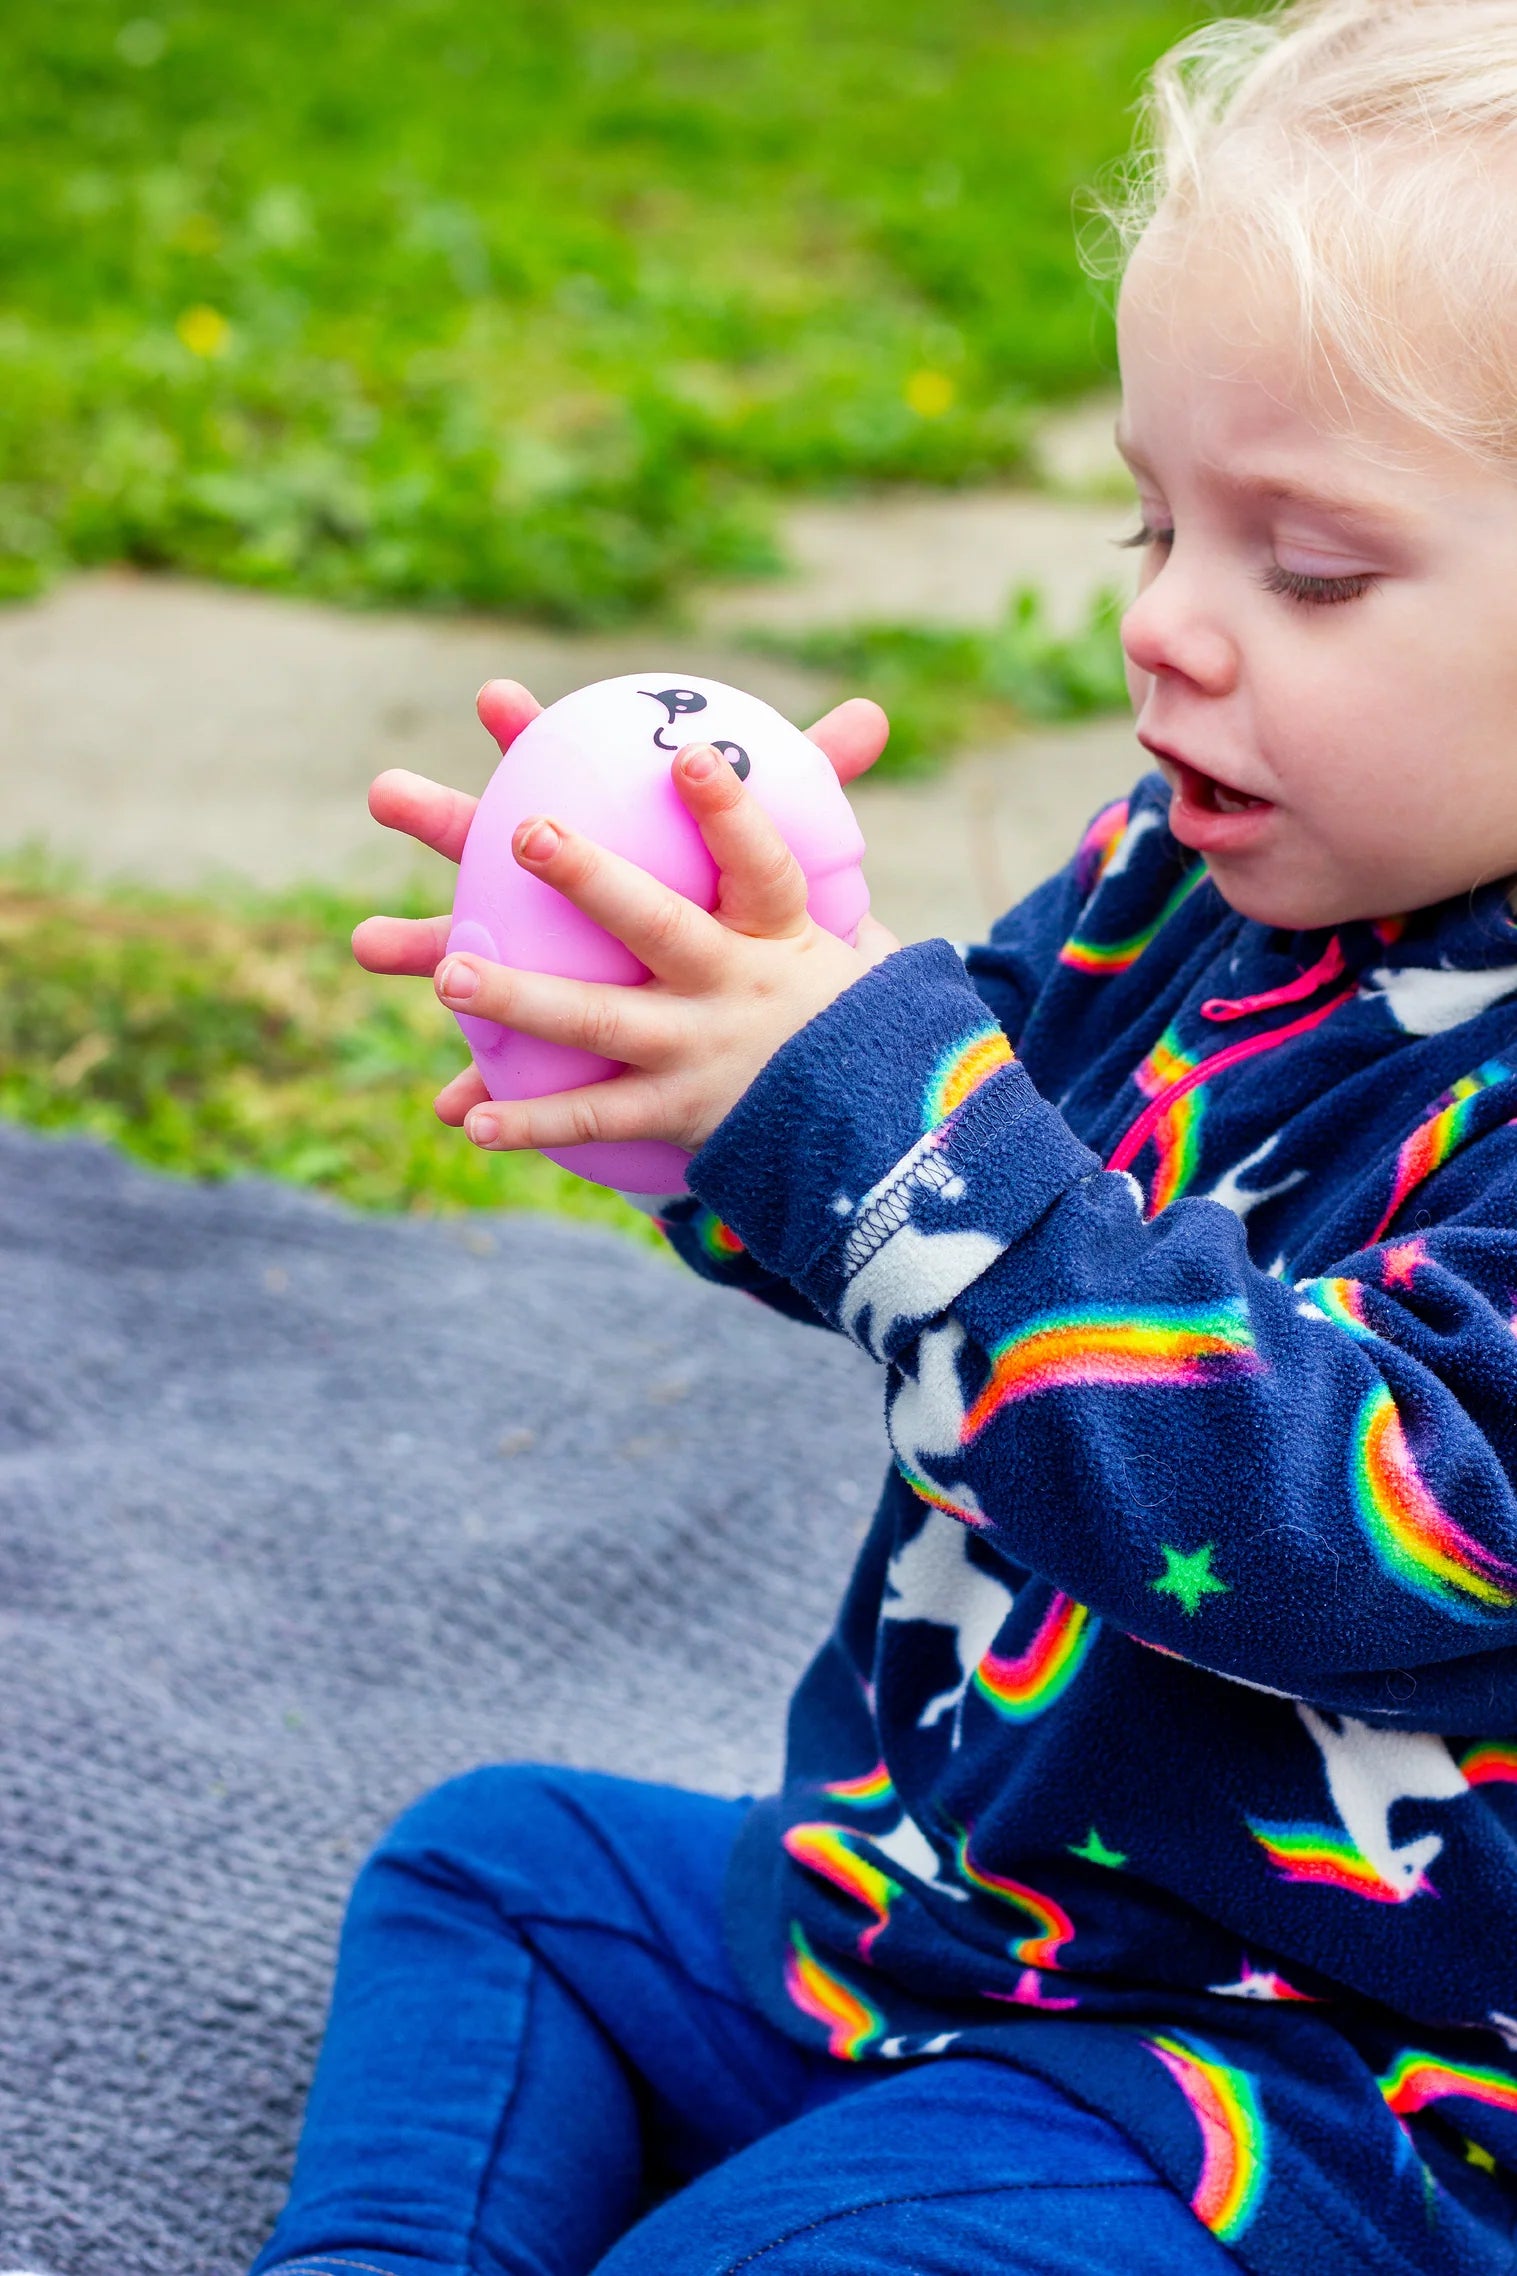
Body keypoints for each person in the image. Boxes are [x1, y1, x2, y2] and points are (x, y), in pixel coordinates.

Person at [252, 3, 1517, 2270]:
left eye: (1309, 570)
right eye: (1151, 518)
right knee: (496, 1873)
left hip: (1309, 2080)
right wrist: (707, 1047)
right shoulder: (1191, 877)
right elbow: (928, 1214)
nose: (1160, 623)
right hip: (942, 1898)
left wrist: (867, 1106)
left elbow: (1371, 1524)